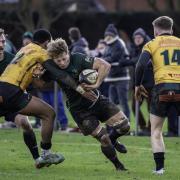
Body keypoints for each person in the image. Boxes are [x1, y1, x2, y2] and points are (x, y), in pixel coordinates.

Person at [0, 29, 95, 168]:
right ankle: (45, 153)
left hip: (5, 88)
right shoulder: (41, 52)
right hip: (13, 91)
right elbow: (60, 74)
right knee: (49, 114)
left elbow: (34, 79)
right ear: (46, 42)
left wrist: (36, 75)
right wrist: (80, 89)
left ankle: (40, 158)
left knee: (29, 122)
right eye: (49, 44)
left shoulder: (24, 49)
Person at [37, 38, 130, 171]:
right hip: (79, 110)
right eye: (59, 61)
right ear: (53, 60)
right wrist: (37, 75)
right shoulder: (51, 68)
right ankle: (118, 166)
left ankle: (114, 139)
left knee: (124, 127)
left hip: (97, 100)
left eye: (64, 58)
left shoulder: (78, 58)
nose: (62, 63)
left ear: (68, 53)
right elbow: (40, 83)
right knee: (103, 138)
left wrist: (97, 84)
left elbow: (105, 65)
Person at [135, 16, 180, 175]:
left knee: (156, 131)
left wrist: (137, 85)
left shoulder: (151, 44)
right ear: (172, 29)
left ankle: (160, 169)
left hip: (161, 88)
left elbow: (140, 65)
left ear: (155, 31)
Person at [0, 28, 43, 165]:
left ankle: (37, 159)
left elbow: (24, 79)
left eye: (3, 41)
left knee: (25, 123)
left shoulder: (11, 58)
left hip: (11, 101)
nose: (2, 44)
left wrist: (35, 76)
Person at [103, 24, 130, 120]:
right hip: (111, 78)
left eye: (109, 35)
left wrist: (103, 60)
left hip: (121, 77)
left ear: (114, 35)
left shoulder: (118, 43)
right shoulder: (108, 45)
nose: (107, 37)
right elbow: (105, 57)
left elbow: (113, 57)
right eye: (106, 35)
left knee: (123, 102)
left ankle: (127, 123)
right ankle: (115, 123)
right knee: (112, 103)